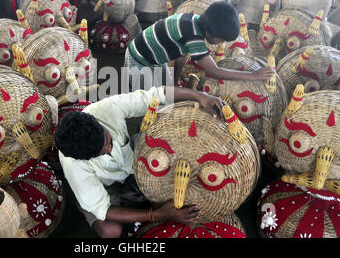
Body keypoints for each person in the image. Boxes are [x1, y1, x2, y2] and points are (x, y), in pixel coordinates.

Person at [54, 85, 226, 238]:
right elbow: (104, 210)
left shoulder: (106, 109)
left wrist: (200, 96)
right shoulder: (74, 165)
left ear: (98, 122)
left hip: (132, 163)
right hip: (104, 185)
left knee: (167, 159)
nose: (109, 150)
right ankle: (91, 201)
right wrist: (158, 215)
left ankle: (134, 195)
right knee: (110, 232)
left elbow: (157, 95)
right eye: (100, 154)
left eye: (108, 141)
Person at [124, 1, 275, 87]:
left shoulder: (194, 21)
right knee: (151, 100)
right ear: (209, 33)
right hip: (139, 60)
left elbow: (181, 53)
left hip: (150, 55)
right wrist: (253, 75)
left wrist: (176, 80)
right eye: (221, 40)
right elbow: (214, 71)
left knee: (167, 94)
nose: (220, 44)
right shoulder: (194, 36)